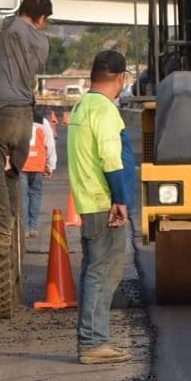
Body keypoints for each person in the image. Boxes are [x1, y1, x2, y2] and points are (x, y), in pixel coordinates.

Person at [66, 50, 135, 365]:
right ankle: (94, 343)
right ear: (121, 78)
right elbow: (111, 159)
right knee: (104, 271)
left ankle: (92, 338)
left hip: (87, 200)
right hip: (102, 202)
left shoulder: (82, 106)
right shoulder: (106, 111)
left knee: (93, 271)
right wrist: (119, 200)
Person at [0, 0, 54, 174]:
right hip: (24, 115)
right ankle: (14, 204)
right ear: (40, 19)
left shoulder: (4, 25)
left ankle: (1, 205)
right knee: (13, 175)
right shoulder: (43, 43)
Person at [22, 109, 58, 238]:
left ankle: (24, 229)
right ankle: (33, 227)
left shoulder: (17, 119)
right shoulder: (42, 122)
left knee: (23, 197)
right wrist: (50, 166)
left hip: (21, 164)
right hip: (38, 164)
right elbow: (50, 144)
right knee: (35, 195)